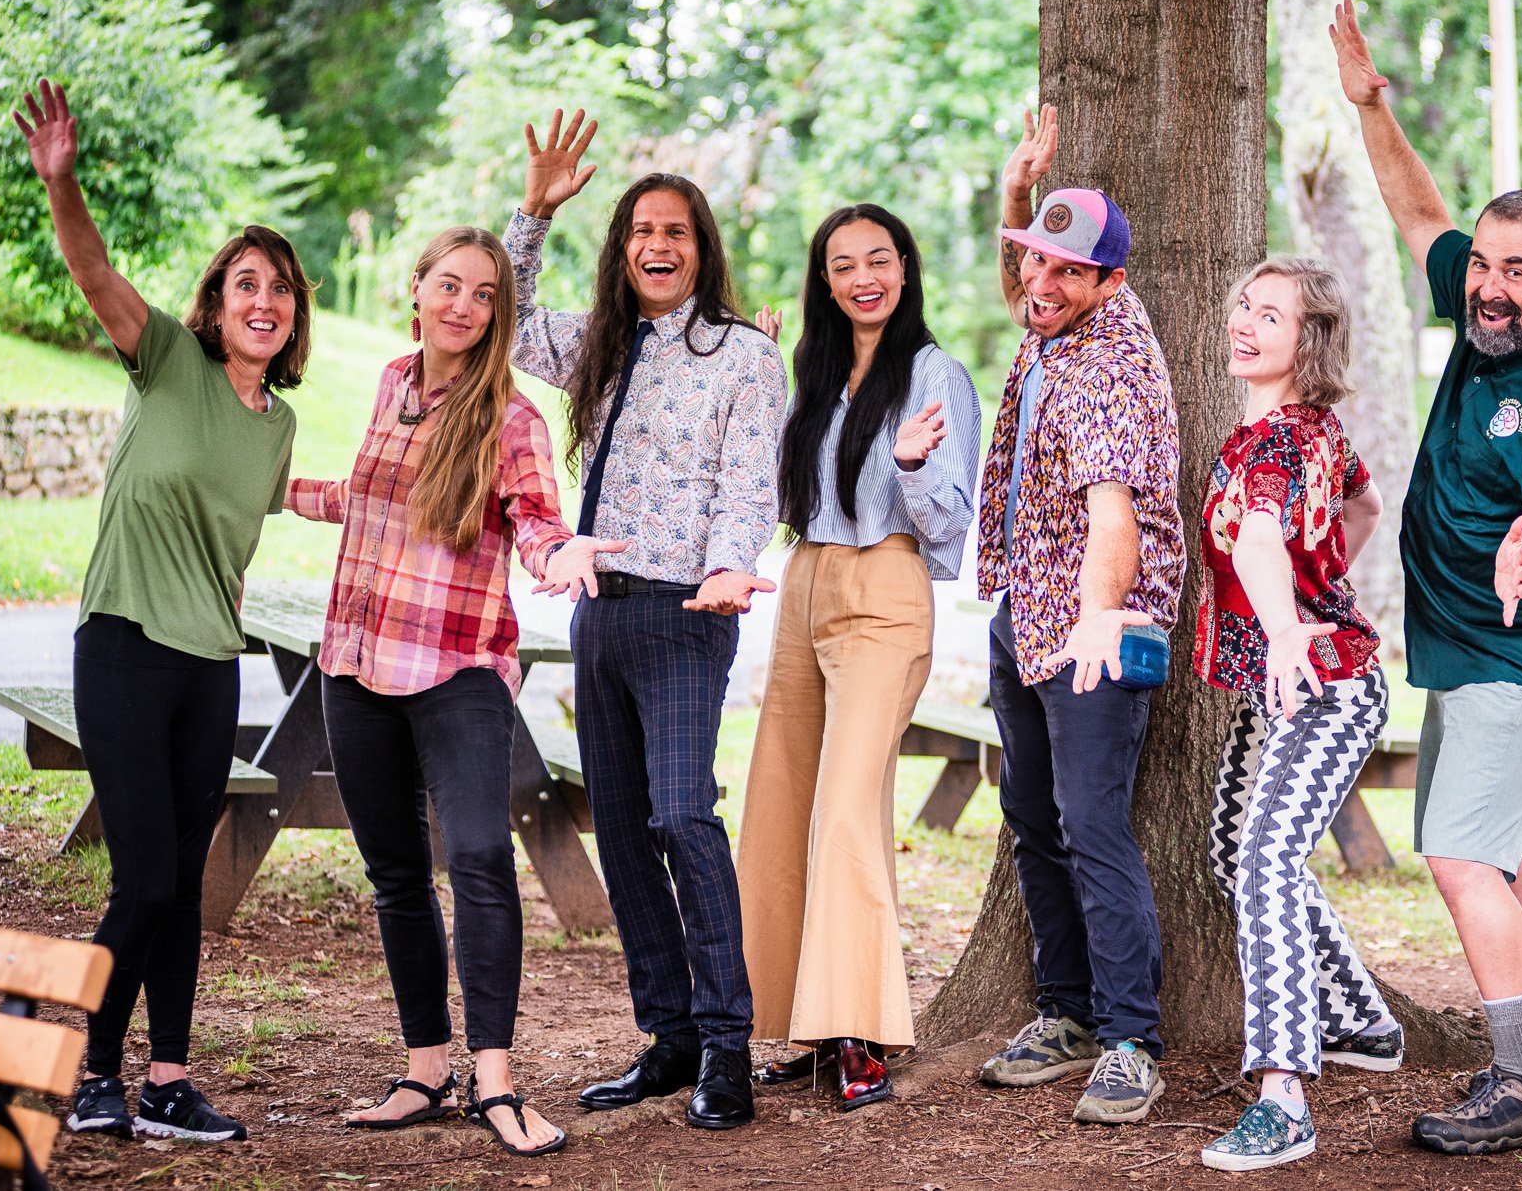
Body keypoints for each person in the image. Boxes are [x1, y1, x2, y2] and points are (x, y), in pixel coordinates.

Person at [1329, 1, 1522, 1156]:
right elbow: (1418, 213)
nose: (1487, 286)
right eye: (1484, 267)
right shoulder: (1479, 307)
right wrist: (1370, 110)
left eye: (1515, 269)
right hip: (1463, 646)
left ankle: (1519, 1085)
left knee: (1454, 856)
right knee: (1493, 848)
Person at [286, 226, 624, 1157]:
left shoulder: (511, 419)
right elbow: (367, 497)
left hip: (458, 670)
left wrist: (564, 557)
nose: (463, 305)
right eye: (449, 285)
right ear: (418, 290)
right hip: (355, 665)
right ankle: (425, 1067)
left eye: (483, 293)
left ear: (498, 312)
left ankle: (498, 1080)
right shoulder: (394, 380)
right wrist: (274, 489)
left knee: (477, 858)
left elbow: (537, 522)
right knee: (396, 875)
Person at [14, 80, 310, 1143]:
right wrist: (63, 182)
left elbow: (257, 508)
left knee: (179, 880)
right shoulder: (167, 362)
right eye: (244, 284)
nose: (262, 300)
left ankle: (168, 1080)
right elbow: (91, 270)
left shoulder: (276, 422)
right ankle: (83, 1066)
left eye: (278, 287)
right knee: (143, 873)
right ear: (216, 302)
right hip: (126, 649)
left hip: (208, 663)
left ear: (293, 312)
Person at [503, 111, 786, 1132]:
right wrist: (532, 210)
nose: (658, 248)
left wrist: (728, 565)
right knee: (622, 833)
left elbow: (752, 477)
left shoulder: (743, 355)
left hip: (685, 615)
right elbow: (503, 310)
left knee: (680, 816)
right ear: (621, 252)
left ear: (702, 249)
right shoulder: (596, 348)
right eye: (640, 233)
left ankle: (725, 1045)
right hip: (599, 617)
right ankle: (666, 1038)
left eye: (676, 232)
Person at [736, 204, 982, 1109]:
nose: (862, 277)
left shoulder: (935, 374)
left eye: (878, 259)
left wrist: (913, 466)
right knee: (785, 800)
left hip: (885, 591)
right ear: (825, 281)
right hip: (804, 583)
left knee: (845, 809)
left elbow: (953, 525)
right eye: (843, 265)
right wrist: (762, 387)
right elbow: (773, 493)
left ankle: (862, 1029)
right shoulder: (813, 368)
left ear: (906, 269)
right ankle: (800, 1019)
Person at [973, 106, 1185, 1125]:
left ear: (1108, 280)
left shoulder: (1104, 364)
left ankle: (1128, 1037)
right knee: (1030, 818)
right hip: (1030, 605)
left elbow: (1114, 515)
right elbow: (1023, 284)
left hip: (1088, 625)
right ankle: (1061, 1010)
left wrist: (1095, 625)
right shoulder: (1060, 320)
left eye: (1064, 271)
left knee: (1091, 824)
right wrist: (1017, 196)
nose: (1037, 286)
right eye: (1031, 264)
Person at [1192, 258, 1402, 1172]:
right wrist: (1321, 590)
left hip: (1323, 682)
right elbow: (1364, 503)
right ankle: (1362, 1017)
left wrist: (1288, 627)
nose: (1245, 321)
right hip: (1285, 683)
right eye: (1243, 303)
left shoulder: (1273, 443)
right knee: (1229, 847)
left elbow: (1264, 532)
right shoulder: (1307, 429)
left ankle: (1285, 1092)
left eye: (1269, 314)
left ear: (1305, 341)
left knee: (1266, 858)